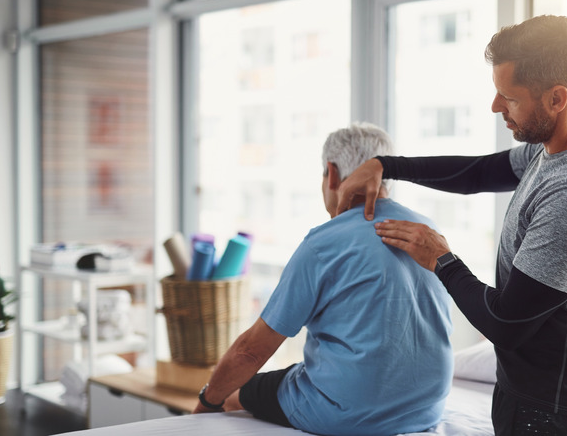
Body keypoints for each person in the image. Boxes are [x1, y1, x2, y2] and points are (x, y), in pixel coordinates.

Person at [335, 15, 567, 436]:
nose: (496, 107)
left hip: (555, 414)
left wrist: (440, 259)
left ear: (556, 98)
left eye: (508, 98)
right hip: (544, 398)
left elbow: (506, 325)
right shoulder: (562, 146)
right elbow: (479, 173)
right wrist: (387, 165)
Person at [192, 122, 454, 436]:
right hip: (424, 411)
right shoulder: (428, 231)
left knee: (236, 393)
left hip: (344, 414)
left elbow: (250, 351)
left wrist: (205, 402)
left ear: (331, 173)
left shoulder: (324, 243)